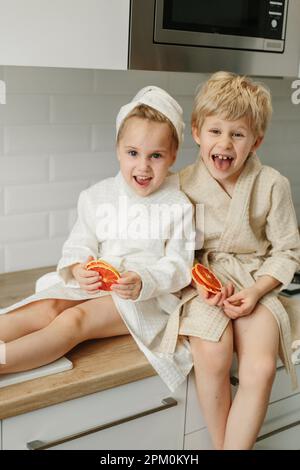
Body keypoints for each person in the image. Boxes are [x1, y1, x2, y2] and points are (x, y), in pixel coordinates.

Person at [0, 86, 195, 392]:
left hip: (144, 299)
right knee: (47, 307)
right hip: (97, 286)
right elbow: (80, 243)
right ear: (118, 149)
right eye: (133, 153)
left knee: (72, 320)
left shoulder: (178, 205)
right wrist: (78, 268)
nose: (143, 166)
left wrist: (143, 280)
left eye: (155, 155)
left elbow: (179, 266)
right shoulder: (97, 196)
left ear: (172, 156)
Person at [175, 71, 300, 449]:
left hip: (254, 282)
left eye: (238, 134)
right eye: (215, 131)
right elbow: (175, 251)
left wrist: (257, 290)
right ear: (197, 132)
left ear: (255, 140)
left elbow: (287, 250)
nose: (225, 144)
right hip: (202, 285)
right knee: (213, 355)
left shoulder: (272, 184)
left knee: (260, 368)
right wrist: (202, 283)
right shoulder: (179, 184)